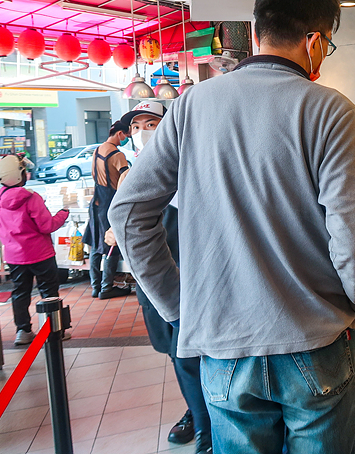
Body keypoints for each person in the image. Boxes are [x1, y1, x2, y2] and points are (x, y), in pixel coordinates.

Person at [109, 0, 355, 454]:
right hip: (314, 341)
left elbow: (127, 213)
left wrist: (180, 306)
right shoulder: (331, 110)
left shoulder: (192, 106)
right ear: (315, 42)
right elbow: (353, 232)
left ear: (255, 32)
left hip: (224, 349)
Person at [104, 101, 212, 454]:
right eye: (135, 127)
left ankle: (208, 431)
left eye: (151, 123)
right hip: (155, 289)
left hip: (195, 286)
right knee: (176, 357)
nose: (141, 133)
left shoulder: (193, 169)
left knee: (192, 358)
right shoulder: (131, 174)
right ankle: (197, 413)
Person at [0, 155, 70, 346]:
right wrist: (63, 214)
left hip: (14, 255)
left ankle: (23, 331)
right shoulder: (31, 198)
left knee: (20, 292)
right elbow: (47, 225)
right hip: (40, 253)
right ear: (18, 175)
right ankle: (54, 331)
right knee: (49, 291)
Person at [83, 120, 132, 299]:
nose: (126, 138)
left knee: (96, 244)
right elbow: (127, 178)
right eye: (126, 135)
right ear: (120, 133)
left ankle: (96, 286)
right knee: (111, 243)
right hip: (110, 202)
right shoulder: (116, 154)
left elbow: (93, 175)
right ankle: (107, 287)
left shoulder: (97, 150)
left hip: (96, 202)